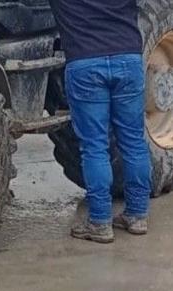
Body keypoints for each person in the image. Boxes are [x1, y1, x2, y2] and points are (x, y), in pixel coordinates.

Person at [51, 0, 152, 242]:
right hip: (127, 59)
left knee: (94, 147)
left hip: (85, 64)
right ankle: (137, 215)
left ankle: (99, 221)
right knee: (134, 142)